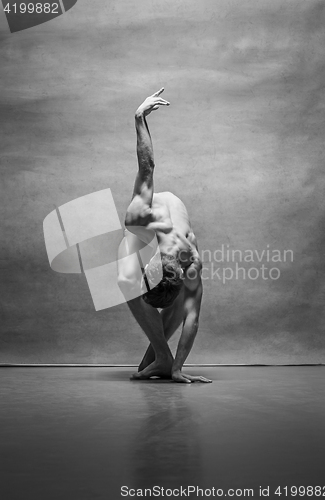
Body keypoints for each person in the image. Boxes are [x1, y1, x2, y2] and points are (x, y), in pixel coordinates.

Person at [117, 88, 211, 383]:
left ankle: (162, 360)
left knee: (185, 300)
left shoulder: (191, 260)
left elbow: (192, 316)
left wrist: (179, 368)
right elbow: (147, 166)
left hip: (168, 225)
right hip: (150, 226)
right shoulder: (139, 218)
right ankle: (163, 358)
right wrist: (139, 117)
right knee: (125, 279)